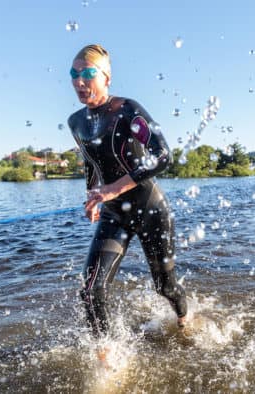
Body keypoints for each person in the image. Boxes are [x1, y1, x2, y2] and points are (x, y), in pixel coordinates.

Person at [67, 44, 187, 337]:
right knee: (91, 289)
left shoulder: (126, 109)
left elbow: (163, 156)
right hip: (112, 214)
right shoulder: (76, 122)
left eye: (88, 73)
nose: (79, 81)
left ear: (106, 77)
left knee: (165, 286)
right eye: (74, 73)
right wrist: (93, 195)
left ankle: (184, 318)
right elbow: (91, 162)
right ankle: (106, 359)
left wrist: (113, 188)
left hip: (150, 209)